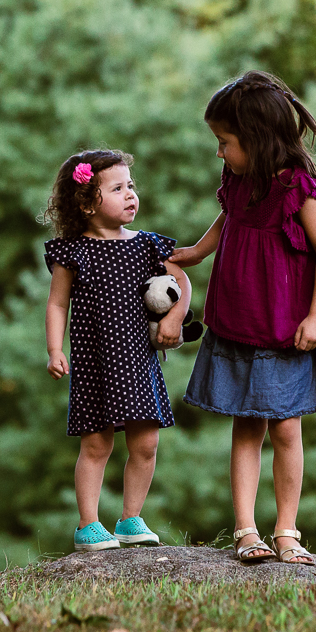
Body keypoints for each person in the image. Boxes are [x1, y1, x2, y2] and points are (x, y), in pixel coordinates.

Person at [169, 71, 316, 565]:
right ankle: (246, 530)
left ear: (258, 139)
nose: (219, 153)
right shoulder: (239, 182)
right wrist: (198, 253)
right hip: (240, 322)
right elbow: (227, 220)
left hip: (288, 329)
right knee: (246, 426)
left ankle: (287, 528)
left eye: (225, 142)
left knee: (286, 429)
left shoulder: (301, 192)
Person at [42, 150, 190, 552]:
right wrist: (56, 349)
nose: (130, 195)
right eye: (118, 188)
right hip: (95, 362)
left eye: (131, 186)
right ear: (88, 202)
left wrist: (176, 318)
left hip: (138, 360)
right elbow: (57, 304)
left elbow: (180, 281)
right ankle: (88, 524)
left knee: (145, 443)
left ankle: (130, 518)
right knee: (96, 445)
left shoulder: (146, 246)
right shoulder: (72, 252)